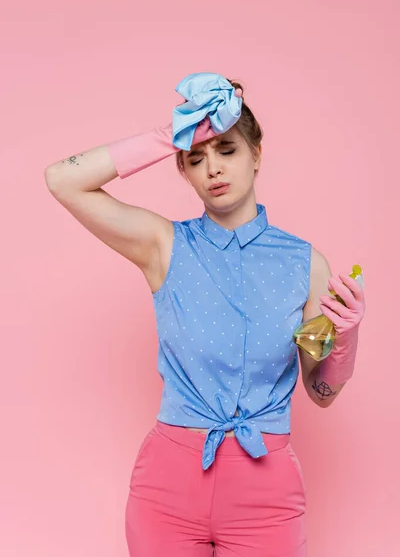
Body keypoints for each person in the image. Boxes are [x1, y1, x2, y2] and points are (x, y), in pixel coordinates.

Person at [44, 73, 365, 556]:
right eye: (196, 157)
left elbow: (320, 392)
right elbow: (62, 179)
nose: (213, 168)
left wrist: (345, 341)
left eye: (227, 150)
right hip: (167, 489)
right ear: (185, 170)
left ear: (256, 155)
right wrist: (166, 135)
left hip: (266, 493)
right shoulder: (164, 245)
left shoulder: (305, 265)